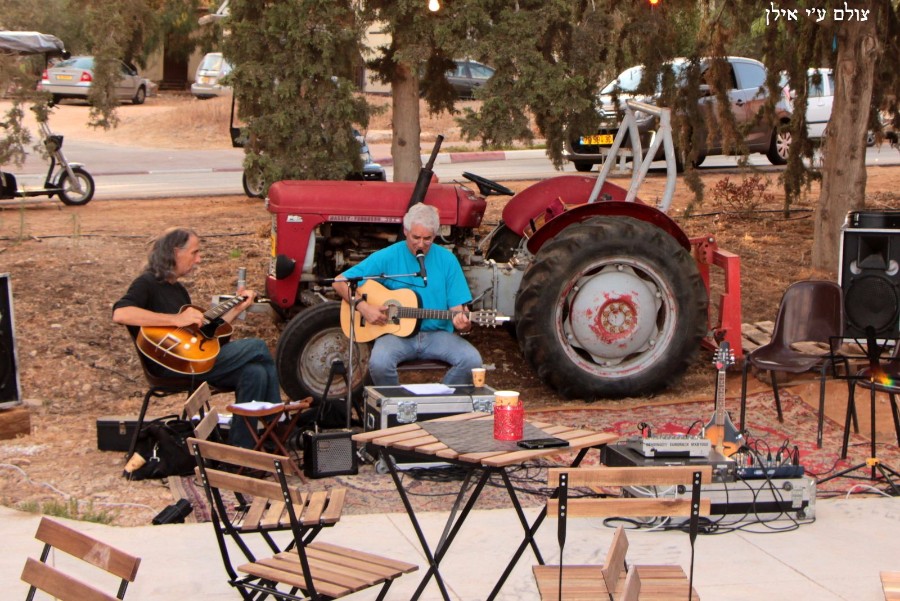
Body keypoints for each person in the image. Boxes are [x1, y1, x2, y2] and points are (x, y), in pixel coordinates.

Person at [112, 227, 280, 449]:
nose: (199, 259)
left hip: (195, 360)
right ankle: (279, 426)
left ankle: (242, 450)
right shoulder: (147, 283)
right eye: (194, 252)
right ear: (175, 252)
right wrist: (175, 319)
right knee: (257, 346)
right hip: (171, 365)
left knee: (255, 373)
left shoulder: (179, 289)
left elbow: (205, 337)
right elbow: (120, 313)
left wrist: (239, 306)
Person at [333, 203, 482, 385]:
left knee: (472, 361)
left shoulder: (448, 260)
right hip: (396, 336)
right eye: (416, 237)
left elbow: (457, 311)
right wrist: (363, 308)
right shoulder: (388, 256)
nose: (421, 244)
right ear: (405, 231)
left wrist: (463, 324)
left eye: (427, 239)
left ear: (435, 235)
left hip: (437, 335)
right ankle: (396, 407)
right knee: (379, 363)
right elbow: (340, 281)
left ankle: (438, 405)